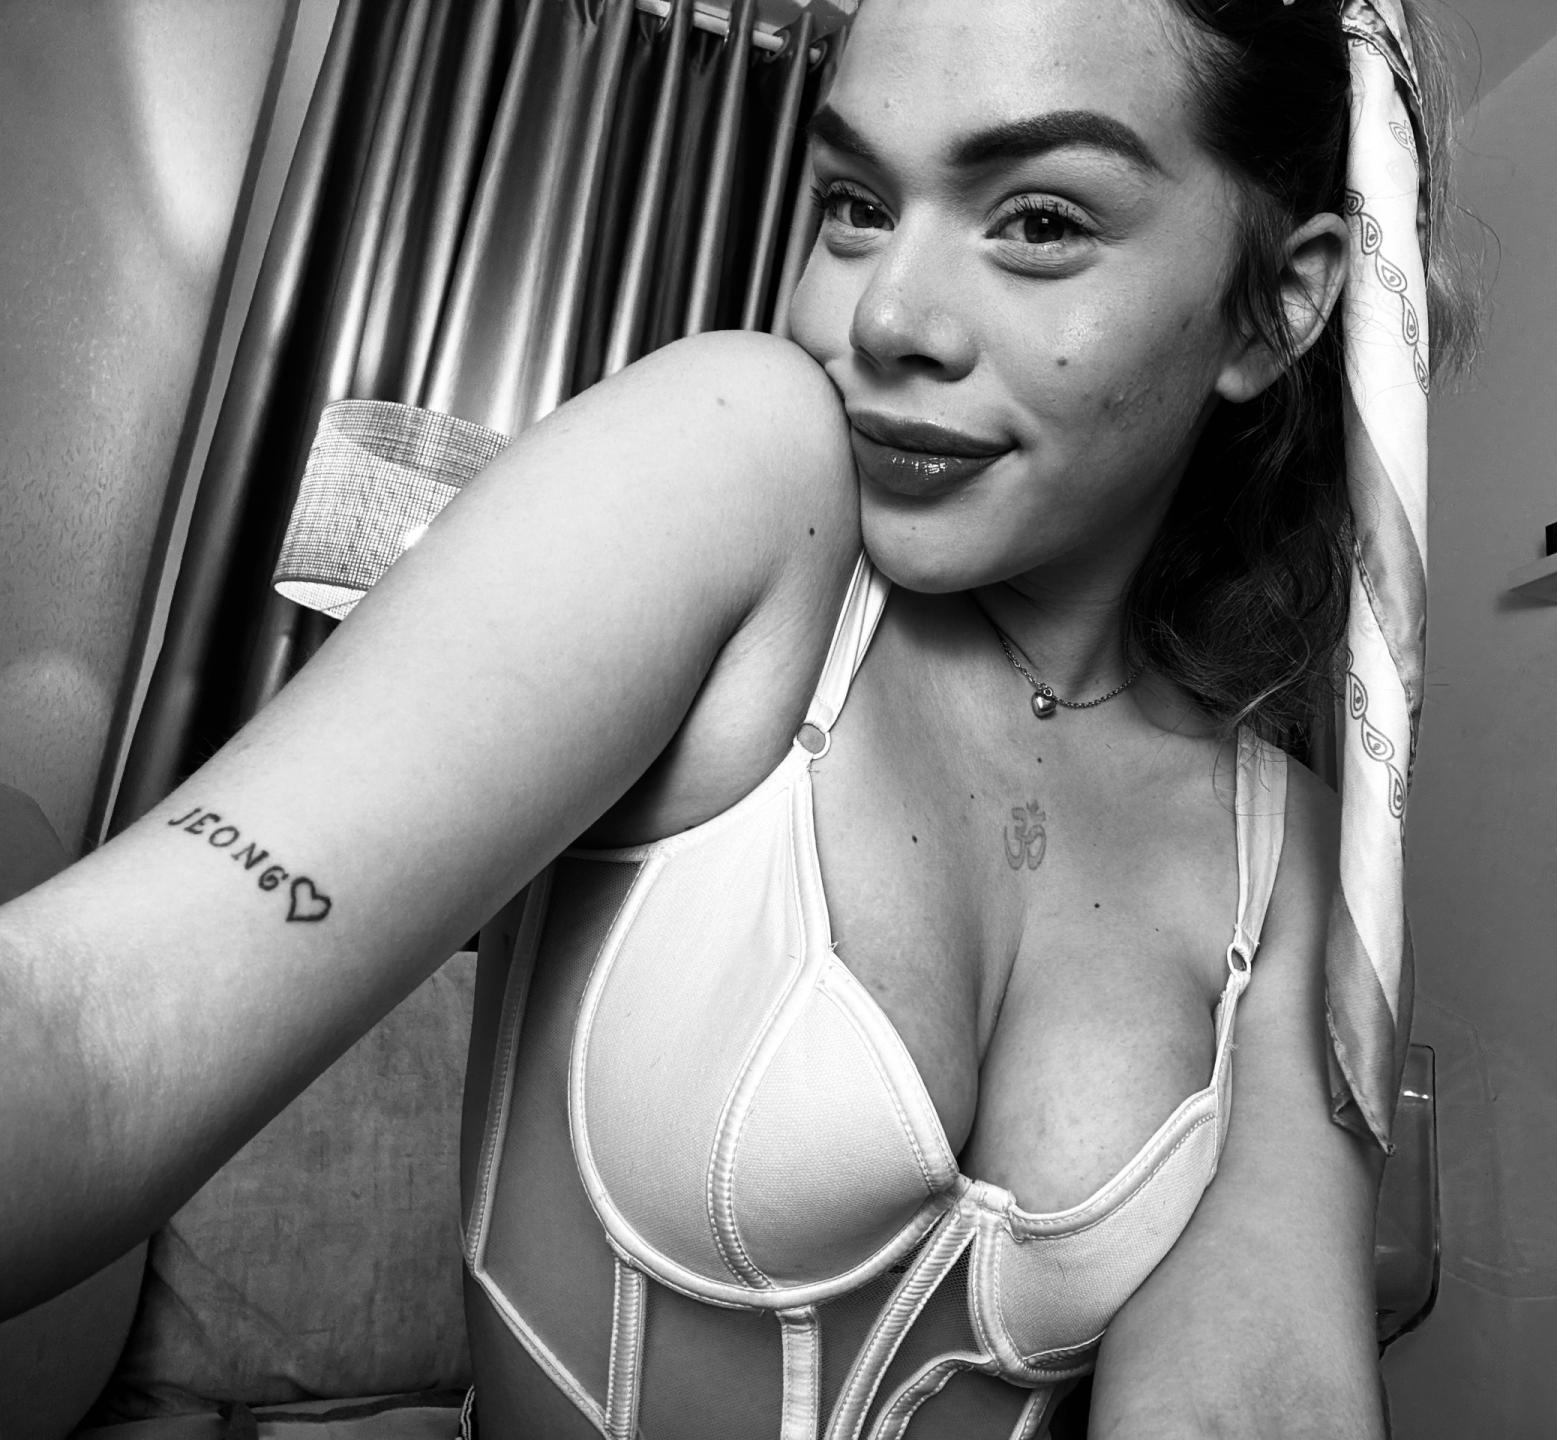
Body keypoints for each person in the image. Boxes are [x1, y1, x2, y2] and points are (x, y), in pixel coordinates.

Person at [0, 0, 1476, 1433]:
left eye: (1039, 220)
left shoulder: (1291, 862)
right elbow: (95, 1034)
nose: (883, 317)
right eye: (854, 204)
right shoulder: (741, 477)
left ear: (1278, 302)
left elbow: (1250, 1400)